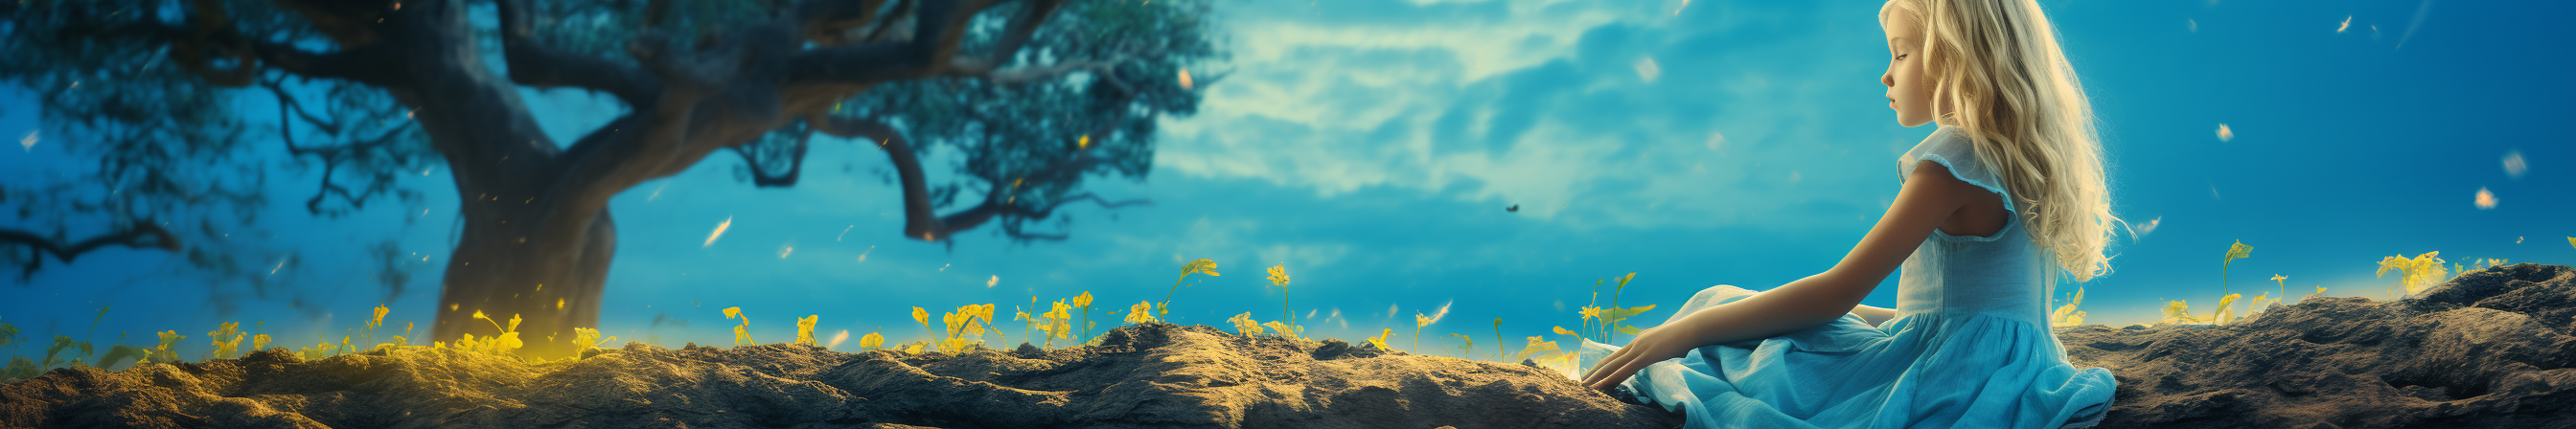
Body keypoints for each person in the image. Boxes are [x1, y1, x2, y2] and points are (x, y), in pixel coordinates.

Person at [1575, 0, 2123, 427]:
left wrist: (1683, 334)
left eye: (1901, 54)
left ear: (1960, 55)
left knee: (1721, 318)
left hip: (1952, 379)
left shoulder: (1953, 159)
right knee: (1752, 312)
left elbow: (1839, 291)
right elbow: (1968, 315)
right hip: (2018, 370)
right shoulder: (2023, 158)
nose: (1886, 75)